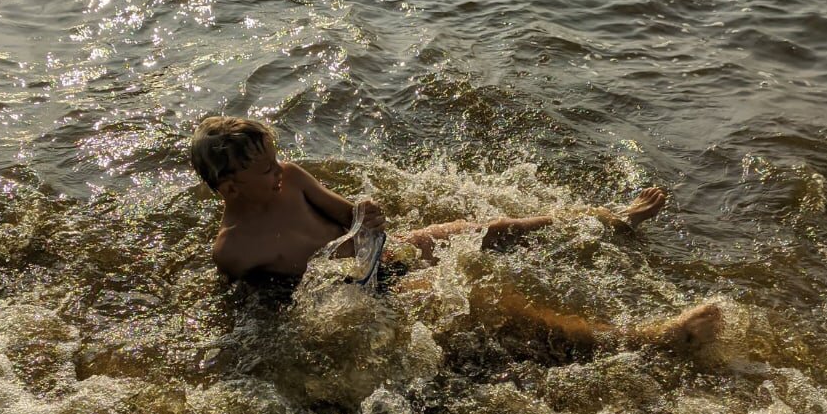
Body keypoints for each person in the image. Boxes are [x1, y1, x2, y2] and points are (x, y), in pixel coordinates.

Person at [190, 115, 722, 350]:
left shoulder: (293, 180)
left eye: (276, 157)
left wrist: (365, 215)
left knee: (493, 229)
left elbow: (349, 214)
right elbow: (276, 310)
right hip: (360, 294)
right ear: (232, 188)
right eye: (265, 169)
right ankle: (650, 338)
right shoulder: (233, 250)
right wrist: (350, 254)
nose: (279, 169)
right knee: (490, 305)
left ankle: (609, 217)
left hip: (383, 254)